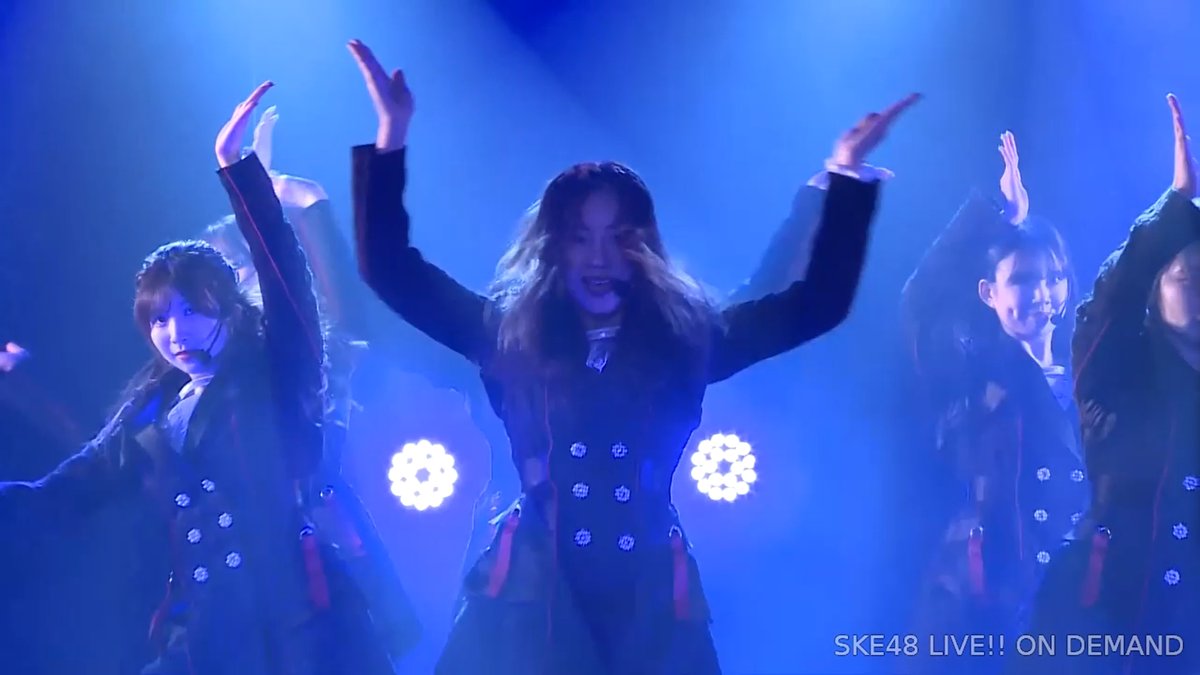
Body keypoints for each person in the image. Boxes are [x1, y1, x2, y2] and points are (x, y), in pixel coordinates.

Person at [345, 38, 917, 674]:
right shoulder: (509, 337)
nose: (599, 257)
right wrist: (392, 137)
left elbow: (817, 303)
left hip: (649, 602)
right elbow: (391, 270)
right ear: (554, 249)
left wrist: (847, 177)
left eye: (618, 237)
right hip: (532, 599)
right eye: (579, 238)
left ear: (644, 247)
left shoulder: (684, 342)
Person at [0, 82, 395, 675]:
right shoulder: (152, 406)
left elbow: (284, 273)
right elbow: (63, 490)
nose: (175, 332)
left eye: (191, 311)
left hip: (301, 630)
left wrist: (239, 170)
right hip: (209, 637)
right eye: (159, 319)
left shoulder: (274, 368)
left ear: (229, 306)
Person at [200, 111, 422, 663]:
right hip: (256, 537)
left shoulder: (311, 334)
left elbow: (286, 264)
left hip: (319, 503)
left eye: (238, 269)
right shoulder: (219, 353)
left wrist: (271, 185)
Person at [1020, 94, 1200, 675]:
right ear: (1154, 290)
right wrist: (1175, 207)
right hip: (1102, 618)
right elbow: (1107, 308)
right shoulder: (1116, 378)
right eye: (1188, 277)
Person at [900, 132, 1089, 671]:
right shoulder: (968, 373)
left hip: (1078, 594)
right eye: (1024, 280)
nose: (1042, 294)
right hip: (983, 598)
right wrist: (996, 216)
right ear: (989, 292)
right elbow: (920, 301)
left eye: (1053, 278)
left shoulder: (1092, 373)